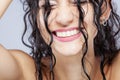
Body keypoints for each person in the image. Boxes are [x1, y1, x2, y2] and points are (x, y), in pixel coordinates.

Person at [0, 0, 120, 80]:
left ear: (103, 9)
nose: (64, 18)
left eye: (79, 2)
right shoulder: (26, 73)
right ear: (36, 16)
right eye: (49, 5)